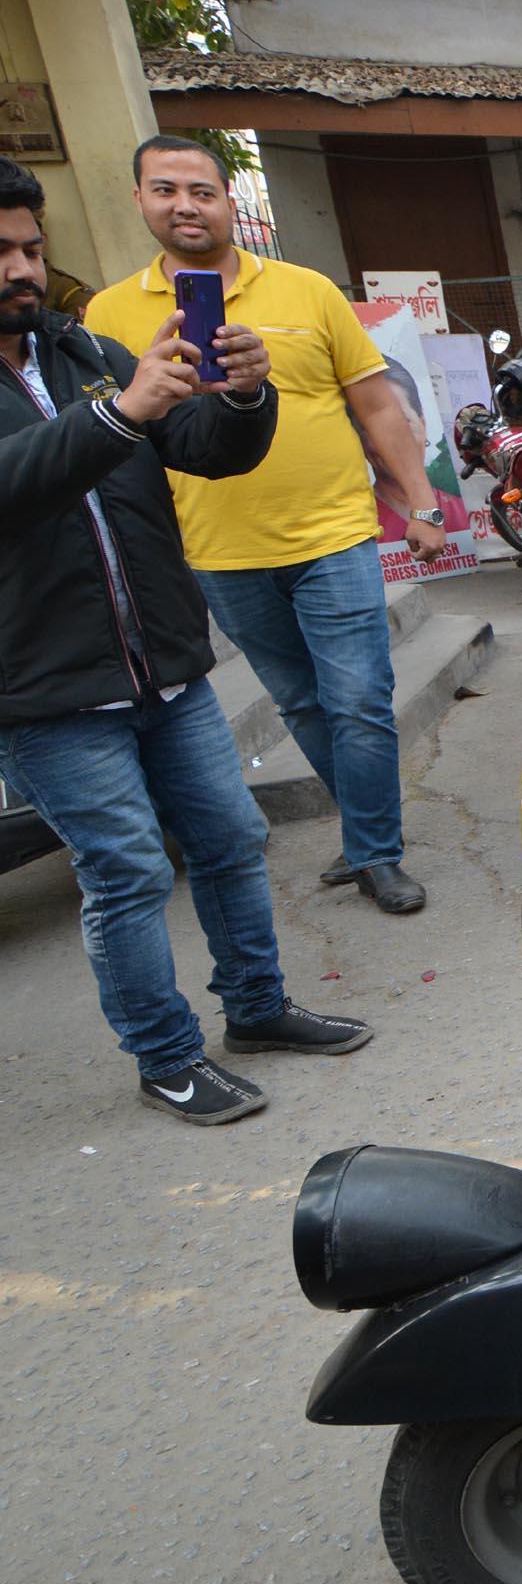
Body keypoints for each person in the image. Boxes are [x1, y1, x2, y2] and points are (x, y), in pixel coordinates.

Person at [0, 154, 373, 1124]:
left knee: (231, 839)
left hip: (164, 666)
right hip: (47, 692)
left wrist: (242, 397)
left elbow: (201, 451)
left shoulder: (82, 350)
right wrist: (122, 412)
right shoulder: (102, 383)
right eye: (1, 253)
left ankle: (256, 1008)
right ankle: (166, 1058)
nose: (22, 270)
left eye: (31, 248)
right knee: (126, 872)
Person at [87, 136, 439, 916]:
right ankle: (366, 833)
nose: (185, 206)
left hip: (333, 533)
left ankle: (376, 852)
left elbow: (377, 404)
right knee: (301, 704)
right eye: (166, 189)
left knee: (358, 700)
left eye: (202, 191)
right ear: (140, 200)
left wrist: (421, 502)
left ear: (228, 203)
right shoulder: (107, 315)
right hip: (218, 550)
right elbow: (116, 437)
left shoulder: (306, 290)